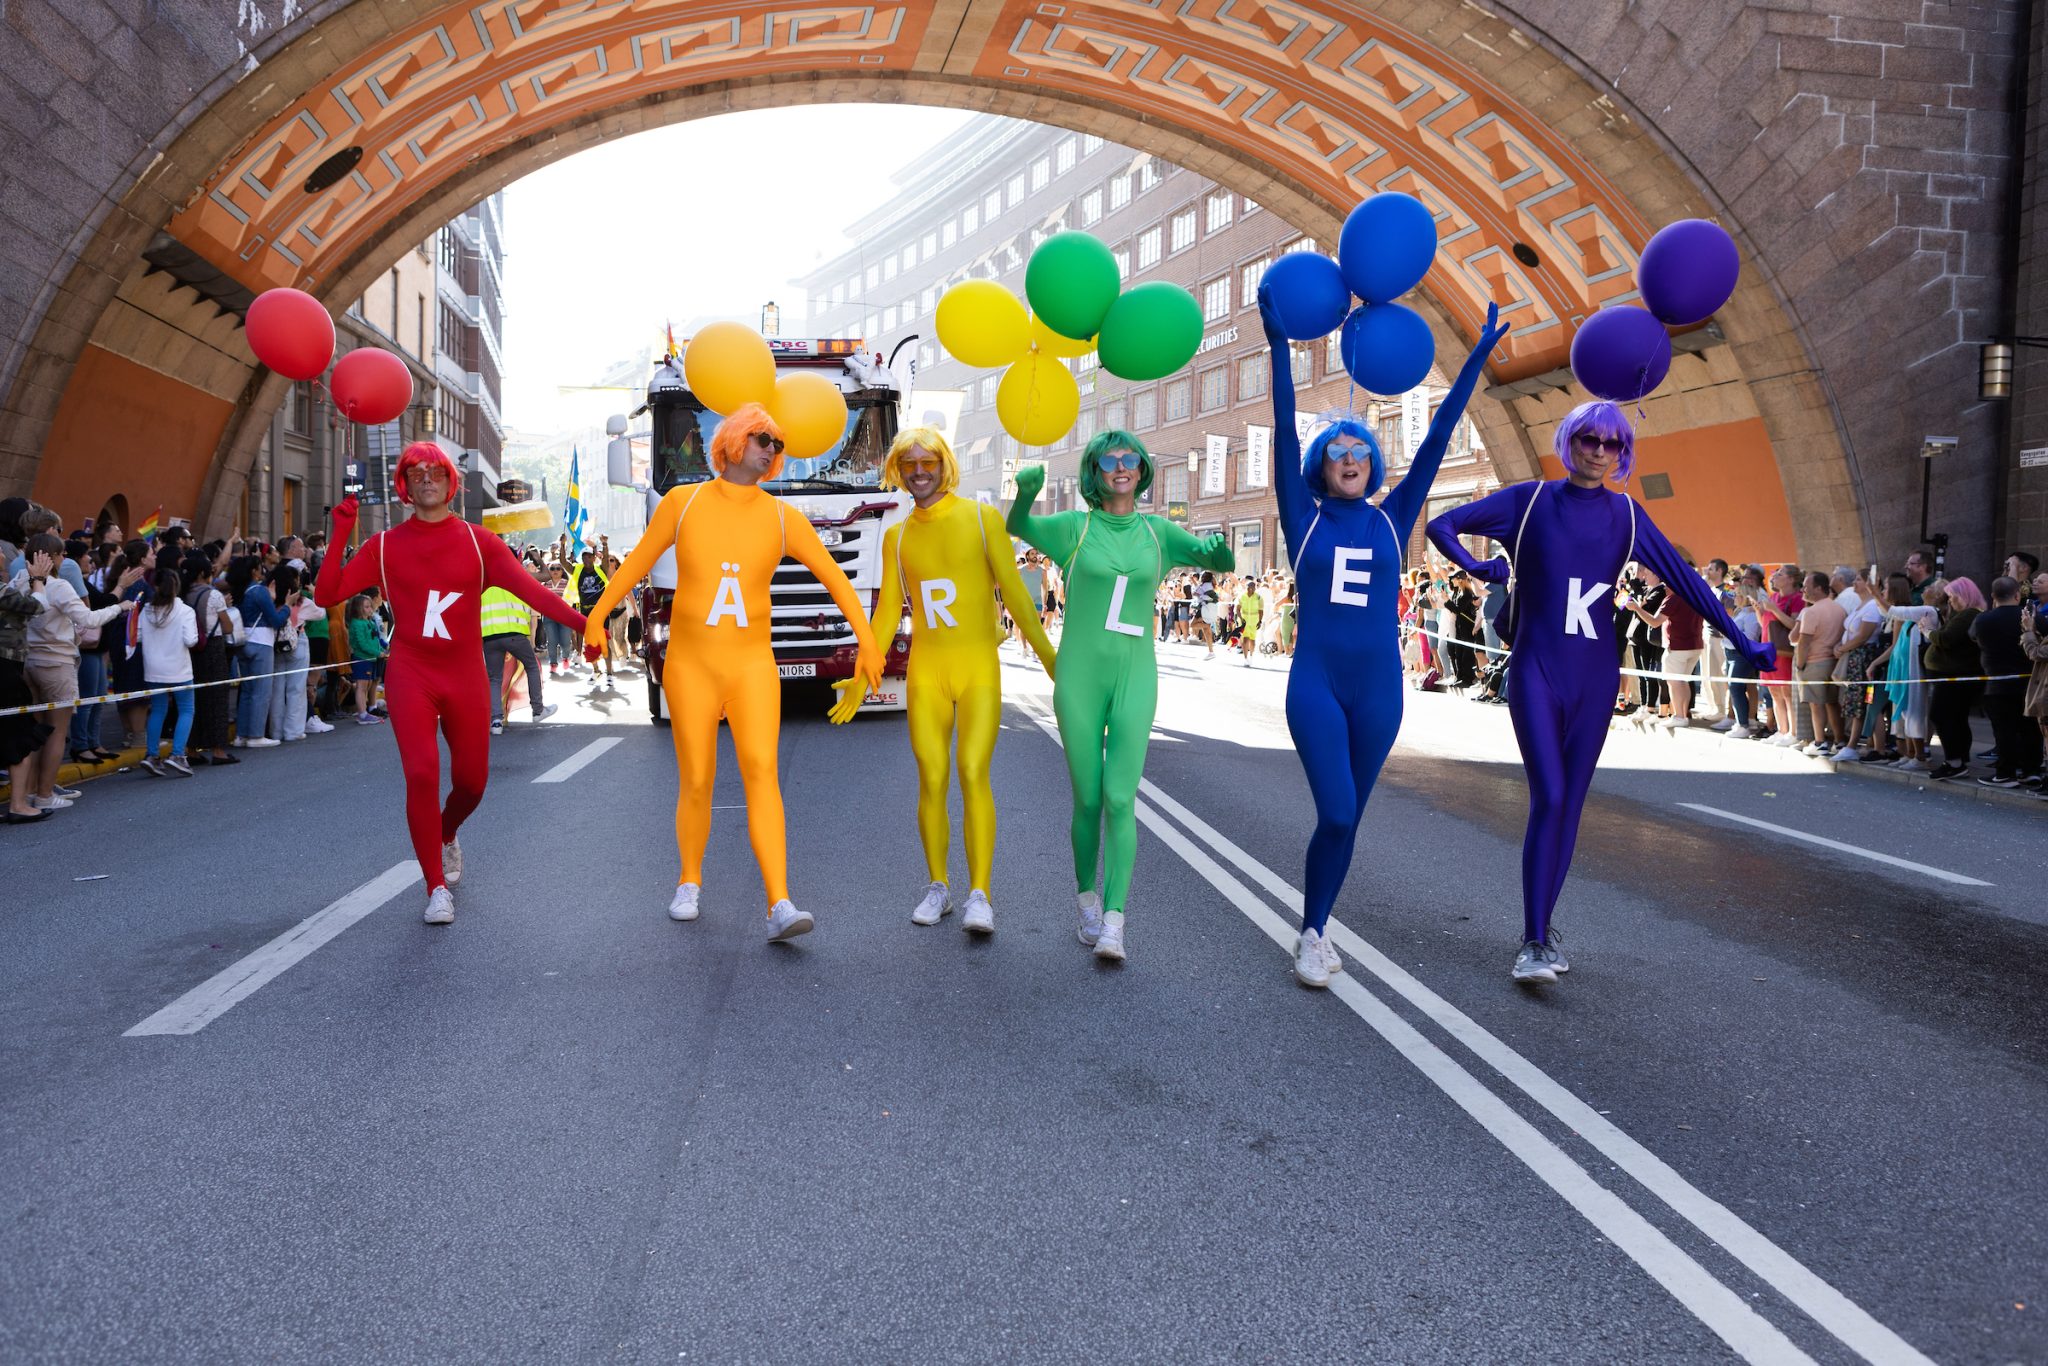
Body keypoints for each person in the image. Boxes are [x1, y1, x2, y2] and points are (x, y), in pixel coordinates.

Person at [1427, 401, 1772, 985]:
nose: (1599, 452)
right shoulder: (1529, 500)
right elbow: (1441, 525)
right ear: (1569, 441)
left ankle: (1542, 933)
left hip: (1595, 679)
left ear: (1623, 453)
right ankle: (1534, 941)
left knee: (1570, 805)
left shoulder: (1628, 517)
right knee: (1552, 797)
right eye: (1589, 439)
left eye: (1612, 444)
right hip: (1537, 670)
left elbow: (1689, 584)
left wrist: (1741, 637)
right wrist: (1483, 569)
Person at [1264, 290, 1507, 986]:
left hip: (1379, 691)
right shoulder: (1302, 515)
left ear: (1372, 462)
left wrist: (1477, 361)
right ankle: (1314, 929)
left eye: (1360, 450)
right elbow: (1283, 430)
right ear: (1321, 467)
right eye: (1337, 451)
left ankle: (1314, 930)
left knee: (1348, 822)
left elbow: (1435, 440)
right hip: (1316, 683)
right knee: (1335, 808)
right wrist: (1280, 345)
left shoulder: (1393, 519)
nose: (1350, 457)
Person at [583, 405, 880, 940]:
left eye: (777, 443)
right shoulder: (683, 500)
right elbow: (636, 564)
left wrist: (869, 640)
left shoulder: (782, 517)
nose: (771, 449)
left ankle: (780, 902)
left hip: (751, 666)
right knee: (697, 778)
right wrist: (598, 616)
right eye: (762, 438)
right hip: (691, 666)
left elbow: (835, 577)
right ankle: (689, 881)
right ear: (735, 441)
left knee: (763, 773)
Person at [317, 442, 589, 925]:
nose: (426, 478)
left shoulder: (479, 543)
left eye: (435, 471)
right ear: (404, 483)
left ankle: (446, 832)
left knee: (472, 783)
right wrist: (340, 531)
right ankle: (434, 886)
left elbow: (535, 593)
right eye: (416, 472)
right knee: (421, 773)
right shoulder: (383, 547)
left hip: (463, 673)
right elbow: (327, 594)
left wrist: (591, 626)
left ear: (449, 481)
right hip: (411, 671)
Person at [1007, 432, 1233, 963]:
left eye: (1130, 458)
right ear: (1094, 471)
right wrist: (1024, 494)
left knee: (1120, 798)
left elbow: (1211, 559)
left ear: (1143, 467)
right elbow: (1019, 527)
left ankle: (1114, 921)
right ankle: (1086, 900)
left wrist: (1219, 555)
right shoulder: (1075, 528)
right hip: (1079, 681)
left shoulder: (1158, 533)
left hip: (1137, 678)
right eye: (1109, 459)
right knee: (1087, 799)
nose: (1121, 466)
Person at [829, 426, 1056, 934]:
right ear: (898, 471)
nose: (919, 472)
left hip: (977, 667)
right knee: (931, 777)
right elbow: (887, 614)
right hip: (926, 671)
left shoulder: (981, 519)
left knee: (973, 771)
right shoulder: (897, 536)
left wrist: (1047, 654)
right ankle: (939, 886)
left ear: (944, 463)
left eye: (927, 461)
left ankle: (981, 893)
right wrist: (863, 672)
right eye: (908, 464)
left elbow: (1016, 595)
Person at [10, 533, 138, 811]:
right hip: (57, 663)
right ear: (51, 558)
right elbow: (89, 619)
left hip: (26, 662)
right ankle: (44, 794)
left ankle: (29, 791)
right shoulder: (59, 586)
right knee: (56, 732)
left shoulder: (17, 581)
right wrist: (119, 607)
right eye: (61, 554)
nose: (64, 558)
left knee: (34, 732)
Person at [1973, 576, 2041, 788]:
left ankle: (2005, 774)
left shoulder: (1983, 620)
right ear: (2017, 595)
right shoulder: (2030, 617)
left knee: (2004, 731)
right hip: (2029, 683)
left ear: (1993, 597)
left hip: (1997, 684)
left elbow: (1973, 637)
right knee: (2030, 729)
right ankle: (2031, 770)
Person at [3, 548, 52, 822]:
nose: (3, 553)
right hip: (5, 666)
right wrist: (39, 580)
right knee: (19, 734)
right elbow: (37, 606)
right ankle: (18, 804)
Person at [135, 566, 198, 777]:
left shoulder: (146, 610)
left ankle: (152, 755)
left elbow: (139, 637)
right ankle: (177, 754)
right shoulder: (185, 611)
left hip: (153, 668)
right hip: (179, 668)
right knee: (186, 709)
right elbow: (191, 640)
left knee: (158, 709)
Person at [1923, 576, 1984, 780]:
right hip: (1956, 676)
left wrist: (1928, 632)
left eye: (1952, 597)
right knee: (1956, 718)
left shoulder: (1968, 614)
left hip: (1954, 678)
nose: (1950, 601)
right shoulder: (1965, 614)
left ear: (1963, 595)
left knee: (1941, 715)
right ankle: (1960, 759)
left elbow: (1946, 639)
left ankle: (1954, 761)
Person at [180, 549, 237, 766]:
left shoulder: (183, 593)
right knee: (217, 699)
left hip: (190, 649)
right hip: (212, 648)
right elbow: (228, 626)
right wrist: (227, 607)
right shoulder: (212, 595)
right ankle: (218, 749)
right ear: (204, 573)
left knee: (194, 700)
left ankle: (192, 748)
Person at [480, 580, 555, 735]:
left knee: (494, 679)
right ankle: (538, 710)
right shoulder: (515, 581)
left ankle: (495, 722)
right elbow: (544, 577)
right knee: (532, 666)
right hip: (515, 635)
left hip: (490, 637)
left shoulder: (484, 584)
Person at [1792, 569, 1846, 754]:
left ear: (1818, 588)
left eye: (1806, 586)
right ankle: (1839, 740)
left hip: (1815, 662)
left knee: (1816, 704)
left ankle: (1820, 741)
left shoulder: (1811, 611)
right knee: (1832, 703)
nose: (1803, 590)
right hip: (1834, 661)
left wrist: (1800, 665)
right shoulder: (1839, 608)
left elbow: (1803, 641)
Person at [346, 593, 388, 723]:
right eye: (367, 607)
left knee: (367, 685)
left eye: (370, 606)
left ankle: (364, 711)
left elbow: (374, 640)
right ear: (358, 608)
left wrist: (383, 649)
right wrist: (377, 652)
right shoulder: (357, 624)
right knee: (361, 686)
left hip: (370, 658)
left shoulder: (368, 622)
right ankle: (362, 714)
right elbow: (362, 644)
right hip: (362, 658)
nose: (371, 609)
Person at [1235, 575, 1263, 665]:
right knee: (1245, 639)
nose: (1251, 589)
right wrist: (1240, 618)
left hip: (1254, 620)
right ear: (1246, 587)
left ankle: (1251, 656)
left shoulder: (1258, 597)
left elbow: (1261, 610)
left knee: (1252, 639)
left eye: (1252, 588)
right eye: (1249, 588)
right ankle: (1245, 658)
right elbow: (1237, 609)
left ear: (1255, 588)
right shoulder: (1241, 596)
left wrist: (1260, 621)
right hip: (1244, 619)